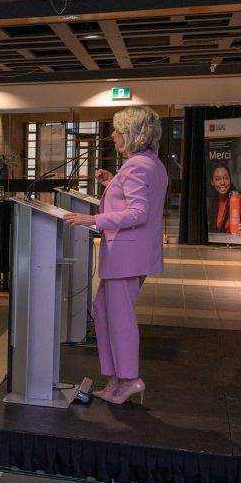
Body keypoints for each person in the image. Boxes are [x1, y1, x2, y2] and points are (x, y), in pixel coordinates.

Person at [64, 106, 168, 406]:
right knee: (106, 311)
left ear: (132, 133)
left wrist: (92, 220)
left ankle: (130, 379)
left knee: (119, 318)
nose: (112, 135)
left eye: (117, 131)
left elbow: (138, 212)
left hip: (127, 255)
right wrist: (112, 183)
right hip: (133, 253)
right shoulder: (149, 163)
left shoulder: (137, 166)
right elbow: (136, 199)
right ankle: (117, 378)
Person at [207, 163, 241, 236]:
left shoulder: (240, 198)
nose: (223, 183)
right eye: (217, 179)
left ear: (230, 179)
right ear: (212, 182)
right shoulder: (213, 203)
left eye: (226, 178)